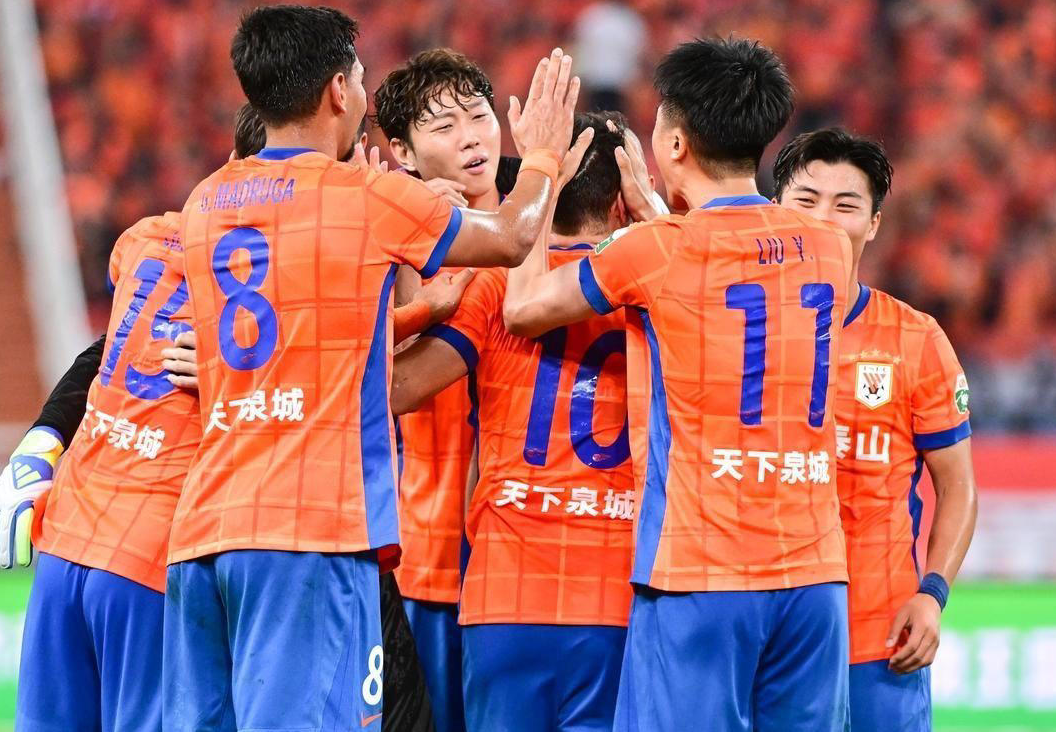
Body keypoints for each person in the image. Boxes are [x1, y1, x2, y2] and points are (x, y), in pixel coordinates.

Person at [164, 4, 581, 731]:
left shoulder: (207, 201)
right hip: (310, 533)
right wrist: (542, 156)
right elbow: (514, 237)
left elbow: (301, 330)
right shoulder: (364, 197)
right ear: (338, 90)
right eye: (358, 77)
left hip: (205, 530)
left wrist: (416, 309)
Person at [501, 37, 855, 731]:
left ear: (674, 144)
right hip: (815, 579)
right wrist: (667, 218)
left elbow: (524, 307)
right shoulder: (828, 246)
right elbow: (741, 267)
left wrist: (539, 165)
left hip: (700, 574)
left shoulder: (655, 251)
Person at [390, 112, 638, 732]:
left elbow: (396, 389)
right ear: (621, 201)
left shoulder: (490, 288)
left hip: (505, 592)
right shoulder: (650, 289)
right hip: (619, 591)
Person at [773, 127, 978, 732]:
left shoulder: (915, 337)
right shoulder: (734, 329)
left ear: (874, 223)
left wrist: (932, 594)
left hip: (879, 633)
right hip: (769, 630)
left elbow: (958, 485)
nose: (823, 218)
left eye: (846, 204)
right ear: (773, 209)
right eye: (806, 199)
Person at [0, 211, 199, 732]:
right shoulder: (273, 264)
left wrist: (41, 440)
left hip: (66, 540)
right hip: (152, 554)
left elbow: (108, 345)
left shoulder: (149, 238)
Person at [373, 47, 506, 732]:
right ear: (402, 151)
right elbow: (370, 370)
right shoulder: (381, 247)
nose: (471, 138)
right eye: (444, 127)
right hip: (425, 561)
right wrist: (406, 248)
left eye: (479, 116)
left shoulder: (546, 232)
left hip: (520, 564)